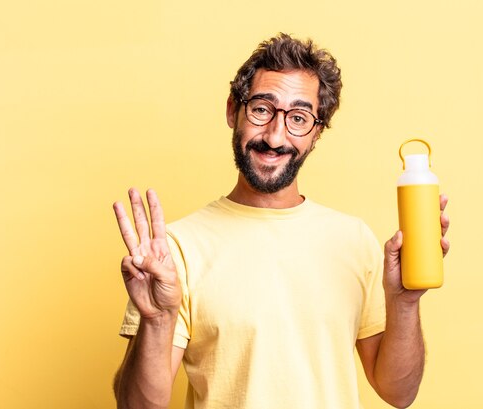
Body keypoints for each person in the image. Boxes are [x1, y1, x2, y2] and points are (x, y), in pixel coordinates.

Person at [112, 33, 450, 409]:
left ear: (317, 133)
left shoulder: (354, 240)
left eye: (299, 118)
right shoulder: (174, 251)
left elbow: (398, 393)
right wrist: (158, 322)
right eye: (261, 109)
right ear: (232, 111)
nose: (275, 136)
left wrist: (403, 304)